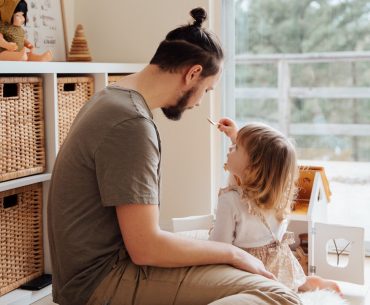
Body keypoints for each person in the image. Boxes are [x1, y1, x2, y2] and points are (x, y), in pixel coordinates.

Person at [47, 7, 302, 305]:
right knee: (276, 295)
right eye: (206, 89)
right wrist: (234, 253)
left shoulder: (111, 97)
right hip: (100, 281)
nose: (200, 102)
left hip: (89, 272)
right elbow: (146, 248)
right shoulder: (131, 125)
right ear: (193, 73)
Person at [209, 117, 342, 295]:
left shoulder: (230, 200)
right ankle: (309, 283)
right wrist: (234, 136)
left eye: (236, 147)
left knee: (269, 292)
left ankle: (299, 286)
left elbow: (218, 246)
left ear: (252, 168)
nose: (230, 148)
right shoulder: (274, 195)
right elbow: (243, 171)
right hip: (279, 259)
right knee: (290, 283)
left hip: (252, 268)